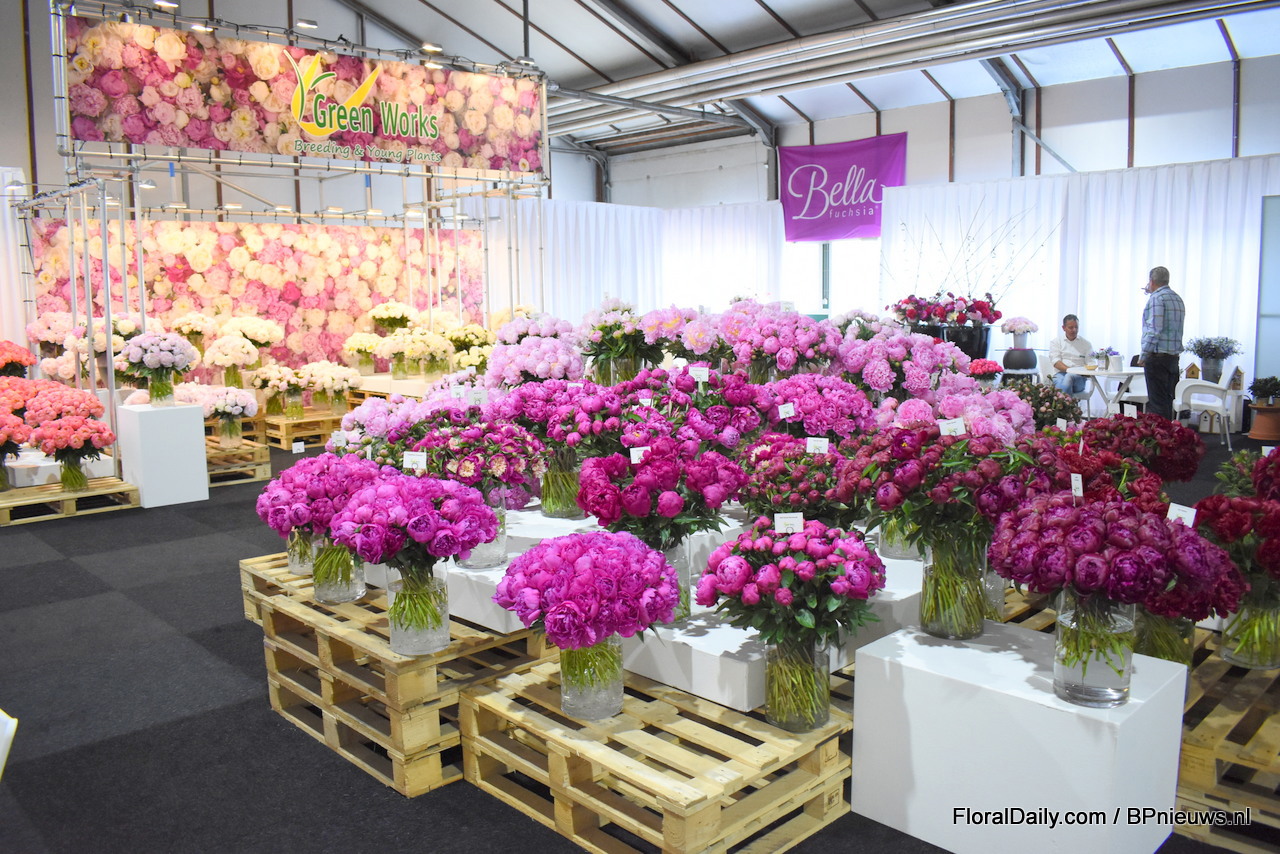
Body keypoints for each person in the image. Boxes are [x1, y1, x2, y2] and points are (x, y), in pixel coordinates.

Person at [1140, 265, 1185, 420]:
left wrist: (1144, 354)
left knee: (1157, 403)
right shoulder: (1177, 298)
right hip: (1173, 358)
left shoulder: (1157, 298)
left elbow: (1154, 330)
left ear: (1151, 281)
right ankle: (1170, 432)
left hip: (1157, 357)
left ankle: (1159, 433)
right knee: (1168, 400)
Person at [1049, 314, 1092, 394]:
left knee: (1069, 377)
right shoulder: (1056, 342)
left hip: (1079, 377)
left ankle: (1061, 400)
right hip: (1060, 374)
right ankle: (1068, 400)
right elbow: (1056, 362)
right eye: (1071, 327)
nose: (1074, 330)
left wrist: (1076, 372)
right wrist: (1070, 370)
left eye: (1076, 327)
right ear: (1063, 328)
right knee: (1062, 382)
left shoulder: (1086, 344)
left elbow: (1091, 363)